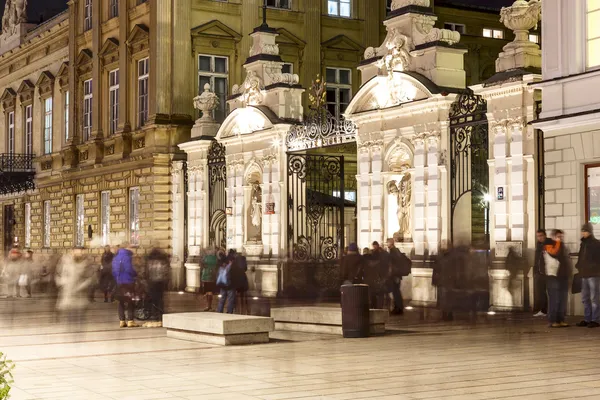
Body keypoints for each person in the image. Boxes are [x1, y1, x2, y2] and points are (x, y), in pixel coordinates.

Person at [544, 230, 571, 328]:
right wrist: (558, 242)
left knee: (562, 299)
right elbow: (554, 253)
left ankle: (561, 319)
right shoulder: (548, 244)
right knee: (554, 299)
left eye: (561, 236)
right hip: (553, 276)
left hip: (563, 276)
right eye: (559, 236)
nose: (561, 238)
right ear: (553, 237)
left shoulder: (562, 246)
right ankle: (553, 320)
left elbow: (566, 260)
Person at [576, 223, 600, 328]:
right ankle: (587, 318)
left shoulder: (596, 243)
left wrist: (591, 266)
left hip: (594, 274)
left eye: (584, 231)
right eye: (582, 230)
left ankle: (596, 319)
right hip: (584, 274)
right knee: (585, 298)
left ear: (589, 231)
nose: (583, 233)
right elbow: (581, 257)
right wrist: (579, 266)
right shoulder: (583, 243)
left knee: (594, 298)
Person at [112, 243, 138, 328]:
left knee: (121, 301)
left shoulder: (116, 257)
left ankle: (122, 321)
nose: (133, 250)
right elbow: (129, 269)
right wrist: (135, 274)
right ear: (128, 248)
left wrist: (117, 279)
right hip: (128, 282)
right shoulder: (127, 256)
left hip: (119, 282)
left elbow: (114, 271)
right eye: (132, 247)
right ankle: (130, 321)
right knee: (130, 300)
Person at [146, 246, 170, 324]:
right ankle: (160, 315)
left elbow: (146, 272)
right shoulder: (163, 261)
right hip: (160, 282)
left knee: (153, 299)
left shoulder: (150, 261)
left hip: (152, 282)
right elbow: (166, 272)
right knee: (160, 299)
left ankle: (154, 315)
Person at [387, 238, 408, 315]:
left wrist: (392, 274)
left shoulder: (393, 252)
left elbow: (393, 265)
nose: (387, 244)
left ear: (391, 243)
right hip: (396, 275)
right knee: (396, 292)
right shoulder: (395, 251)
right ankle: (398, 308)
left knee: (396, 292)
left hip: (395, 275)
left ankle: (398, 309)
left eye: (388, 243)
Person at [533, 229, 550, 317]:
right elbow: (537, 259)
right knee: (540, 292)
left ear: (545, 235)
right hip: (539, 272)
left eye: (541, 236)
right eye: (538, 236)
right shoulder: (538, 245)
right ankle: (543, 310)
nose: (539, 238)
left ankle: (547, 310)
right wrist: (535, 271)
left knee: (549, 292)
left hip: (547, 273)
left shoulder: (548, 244)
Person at [229, 250, 249, 315]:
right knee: (243, 296)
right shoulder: (243, 259)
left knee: (236, 296)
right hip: (243, 280)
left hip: (236, 281)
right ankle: (244, 310)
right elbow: (246, 268)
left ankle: (237, 310)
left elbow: (231, 271)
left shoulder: (235, 261)